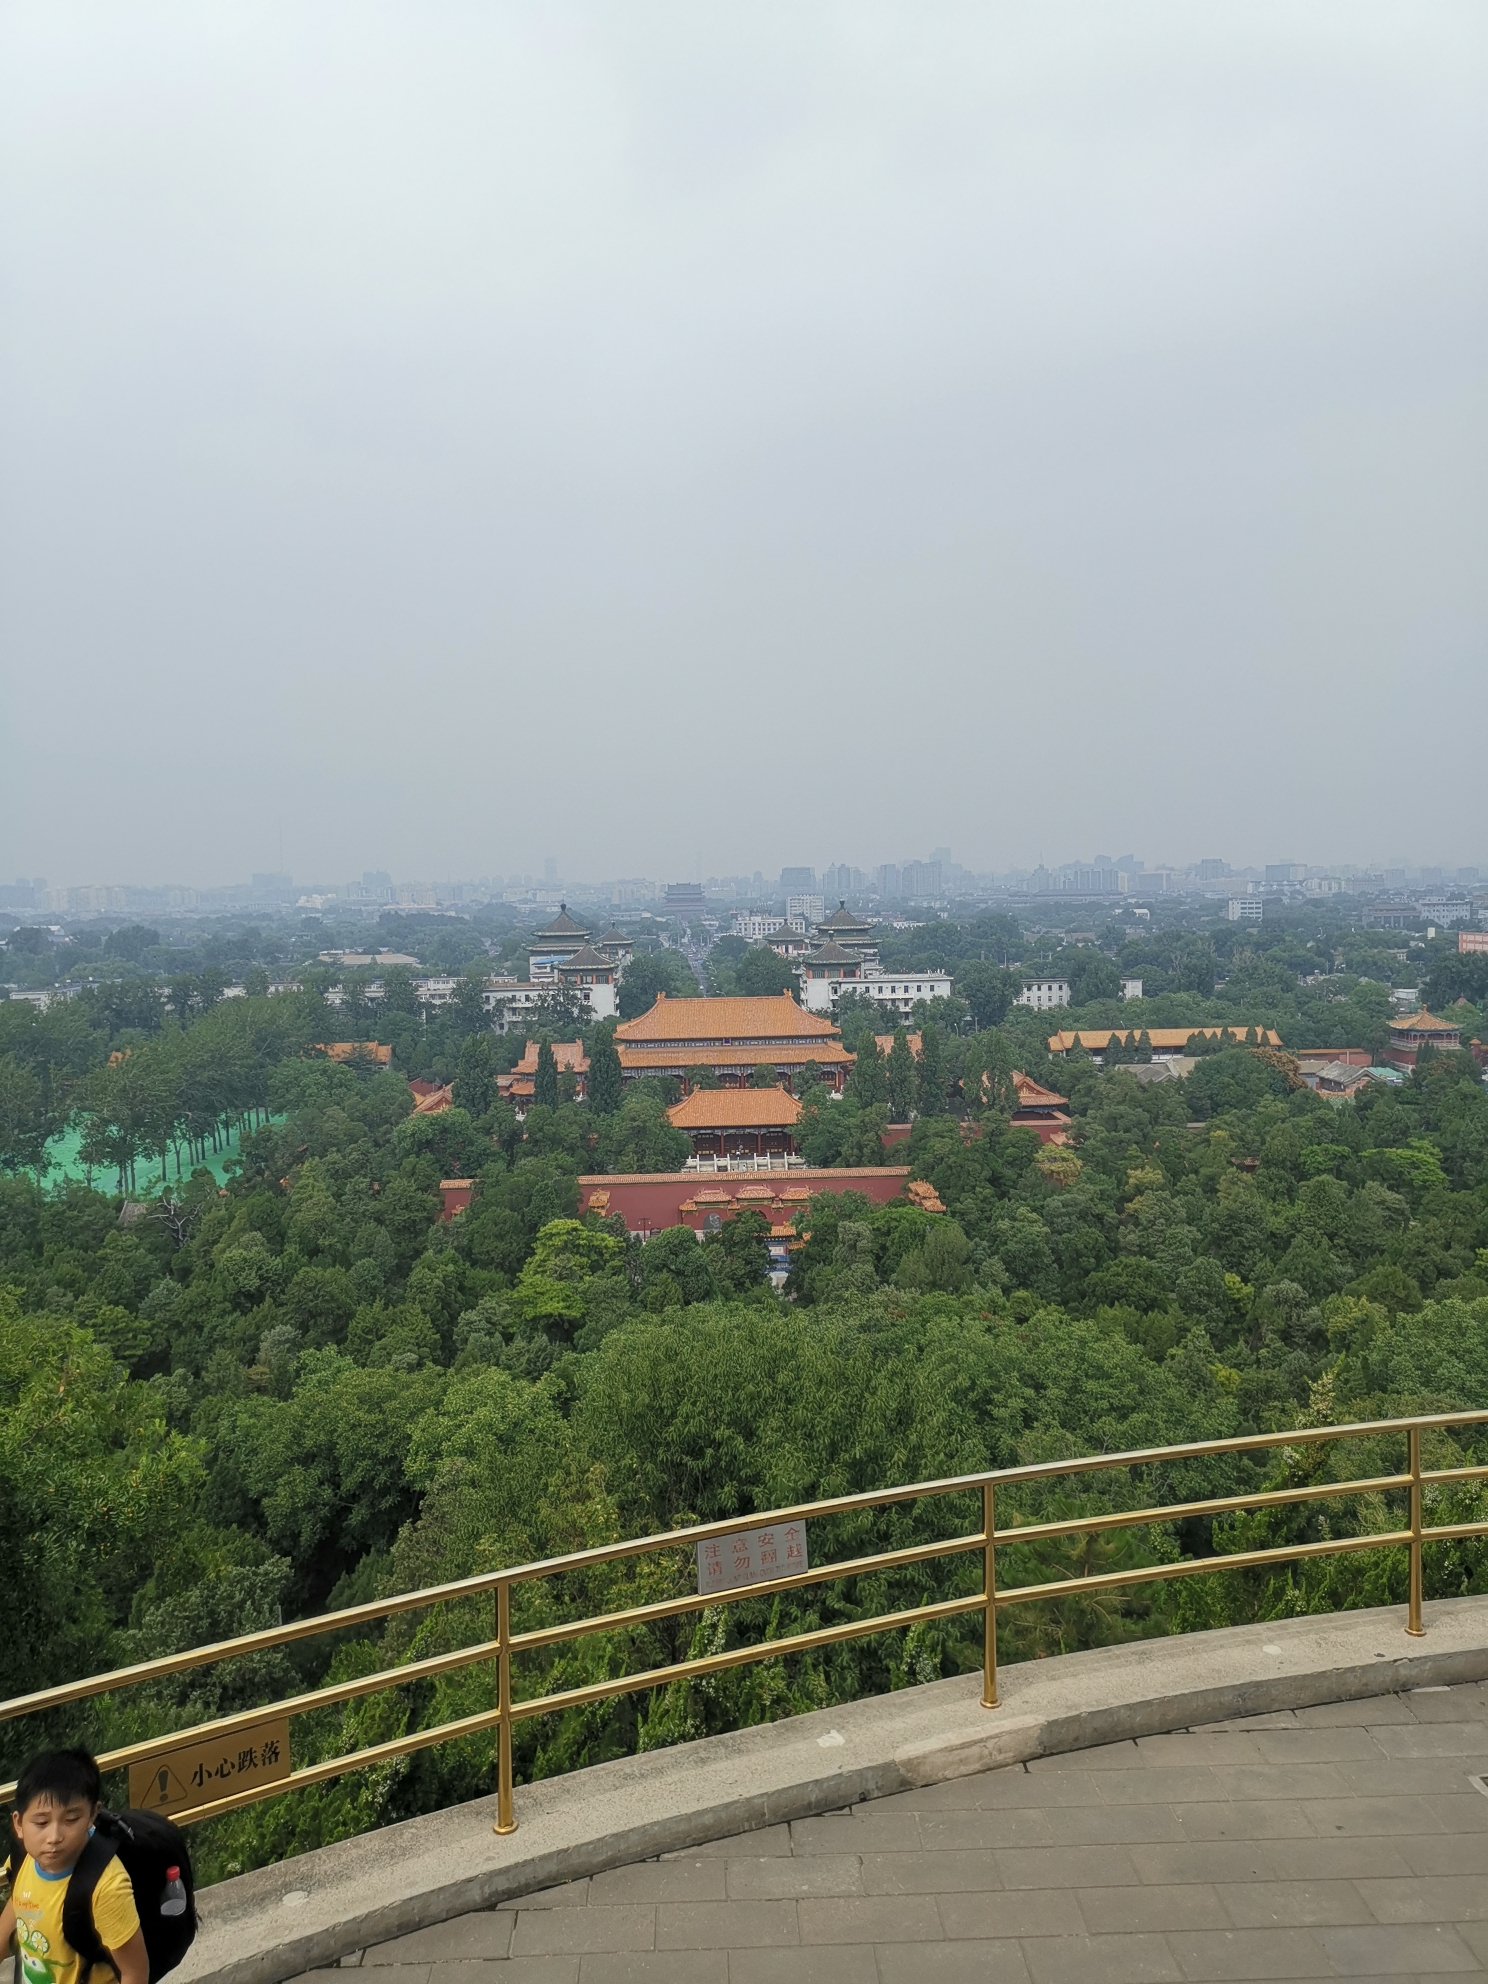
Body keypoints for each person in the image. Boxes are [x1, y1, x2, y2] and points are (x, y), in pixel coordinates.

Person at [1, 1750, 148, 1984]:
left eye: (71, 1820)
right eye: (41, 1822)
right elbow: (17, 1905)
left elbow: (135, 1973)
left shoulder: (107, 1887)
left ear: (92, 1814)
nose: (54, 1837)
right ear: (19, 1824)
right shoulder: (23, 1857)